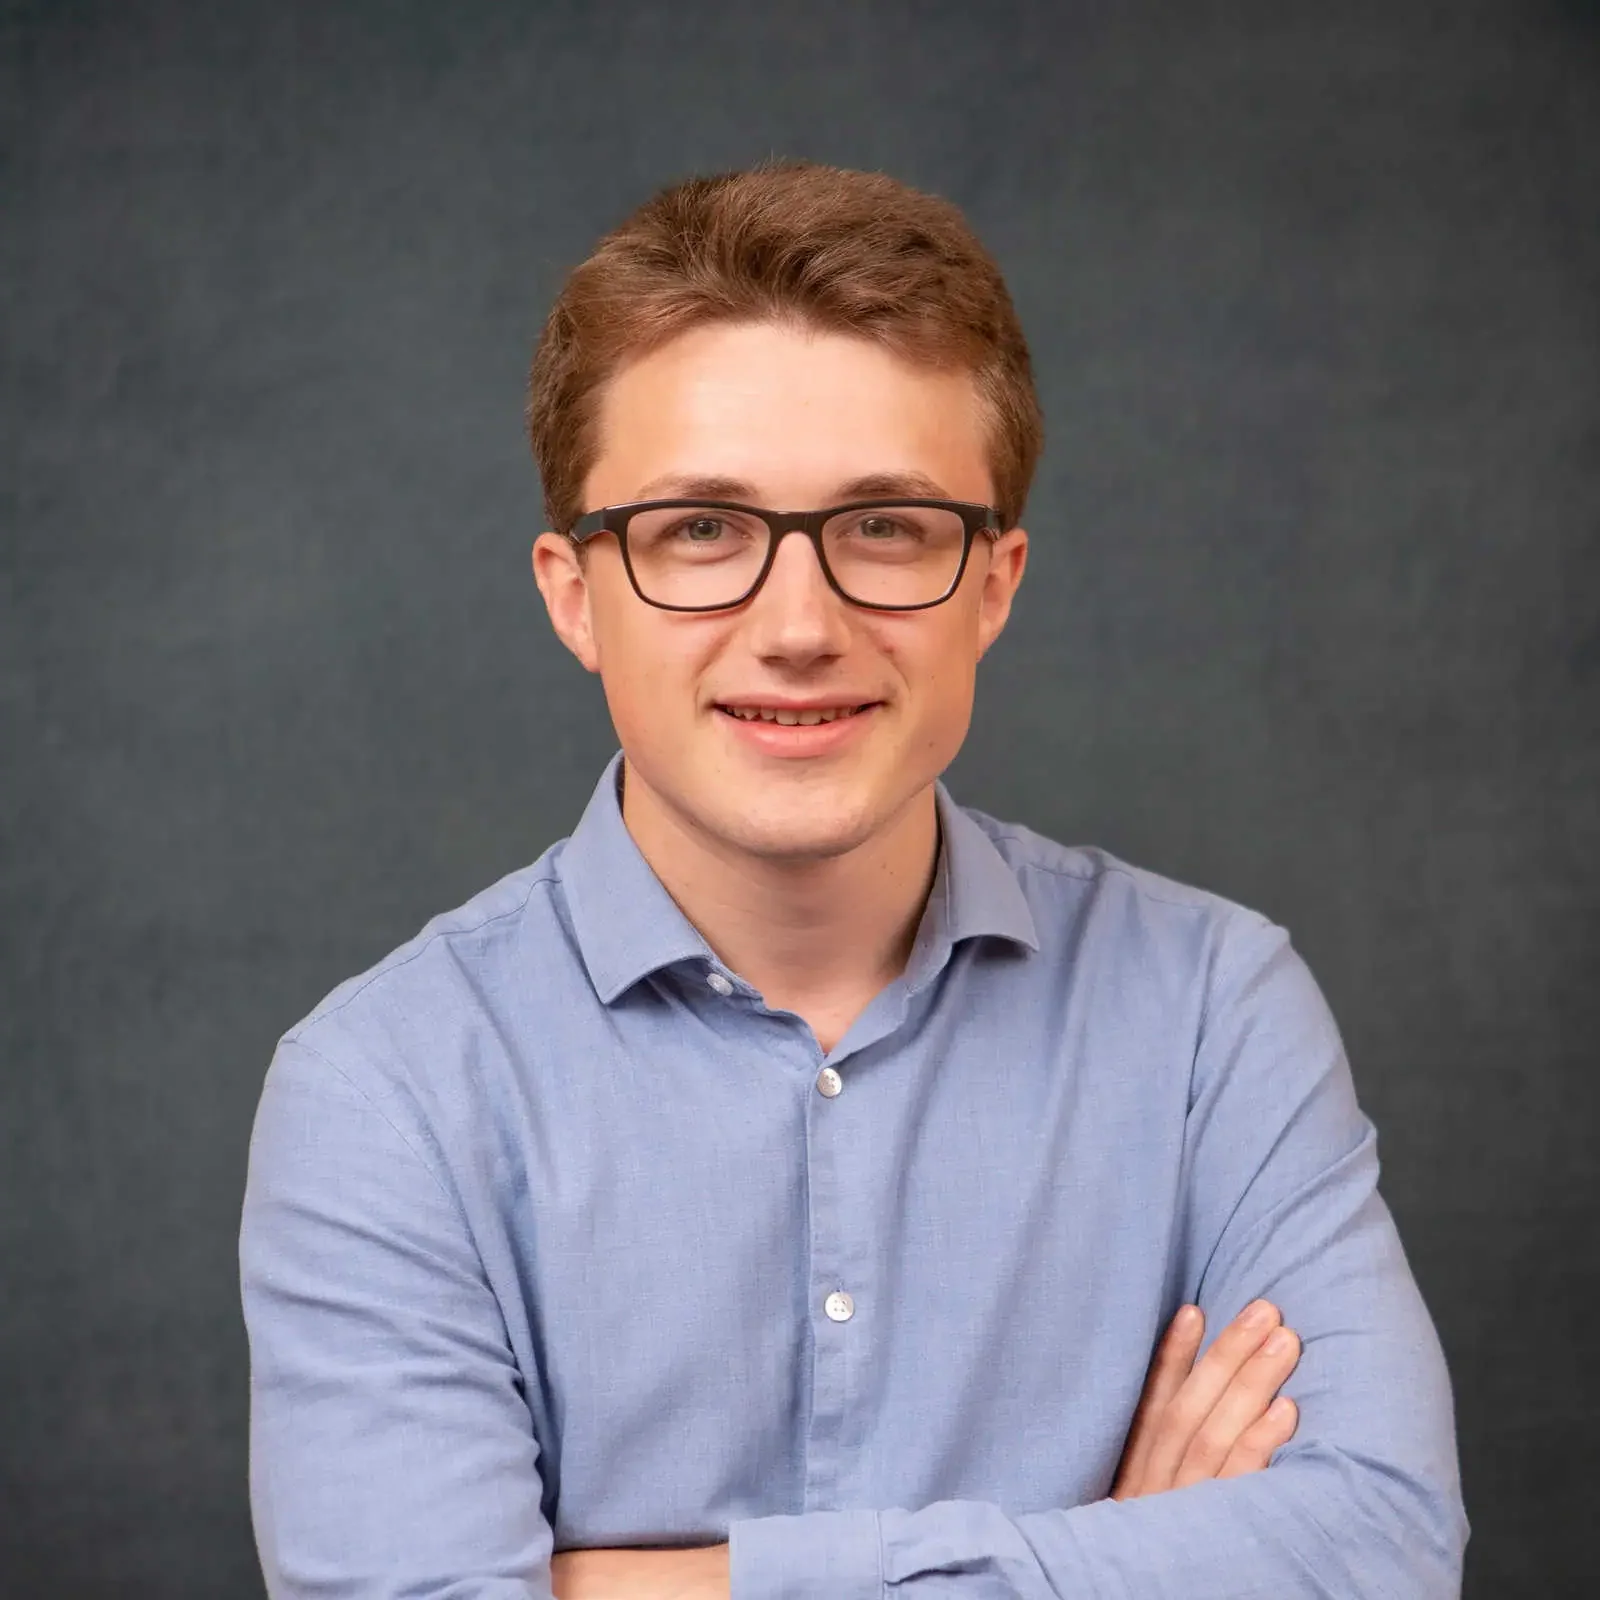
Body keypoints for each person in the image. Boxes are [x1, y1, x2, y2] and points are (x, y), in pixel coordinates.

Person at [239, 162, 1466, 1598]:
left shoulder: (1211, 1013)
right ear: (577, 597)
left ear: (996, 582)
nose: (800, 626)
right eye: (699, 529)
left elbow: (1376, 1553)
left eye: (886, 527)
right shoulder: (384, 1092)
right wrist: (1112, 1560)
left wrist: (646, 1582)